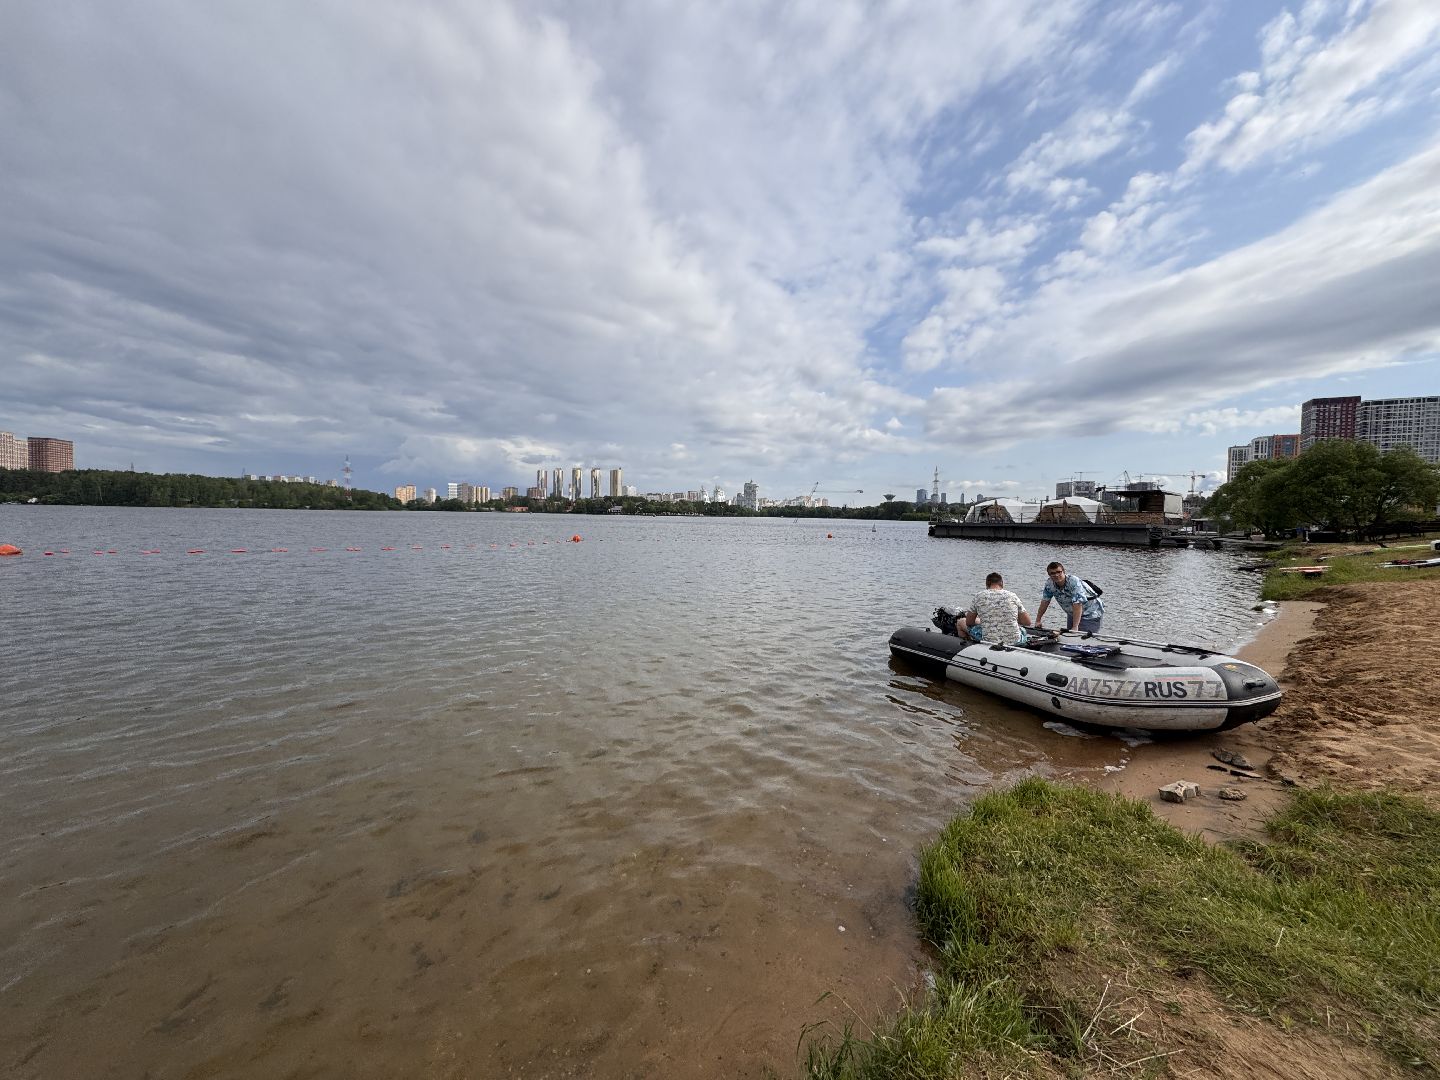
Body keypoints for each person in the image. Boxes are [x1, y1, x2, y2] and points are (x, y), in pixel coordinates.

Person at [963, 571, 1033, 645]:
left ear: (987, 584)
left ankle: (966, 648)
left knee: (961, 622)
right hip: (1015, 641)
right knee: (1022, 630)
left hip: (989, 640)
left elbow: (969, 622)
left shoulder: (978, 596)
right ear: (1002, 583)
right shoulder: (1013, 596)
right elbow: (1027, 622)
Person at [1035, 560, 1104, 633]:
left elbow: (1077, 604)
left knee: (1082, 638)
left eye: (1059, 572)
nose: (1056, 575)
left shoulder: (1073, 581)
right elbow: (1045, 602)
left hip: (1090, 613)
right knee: (1071, 637)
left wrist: (1075, 626)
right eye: (1052, 573)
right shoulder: (1049, 584)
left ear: (1064, 571)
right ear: (1049, 575)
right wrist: (1038, 620)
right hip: (1073, 613)